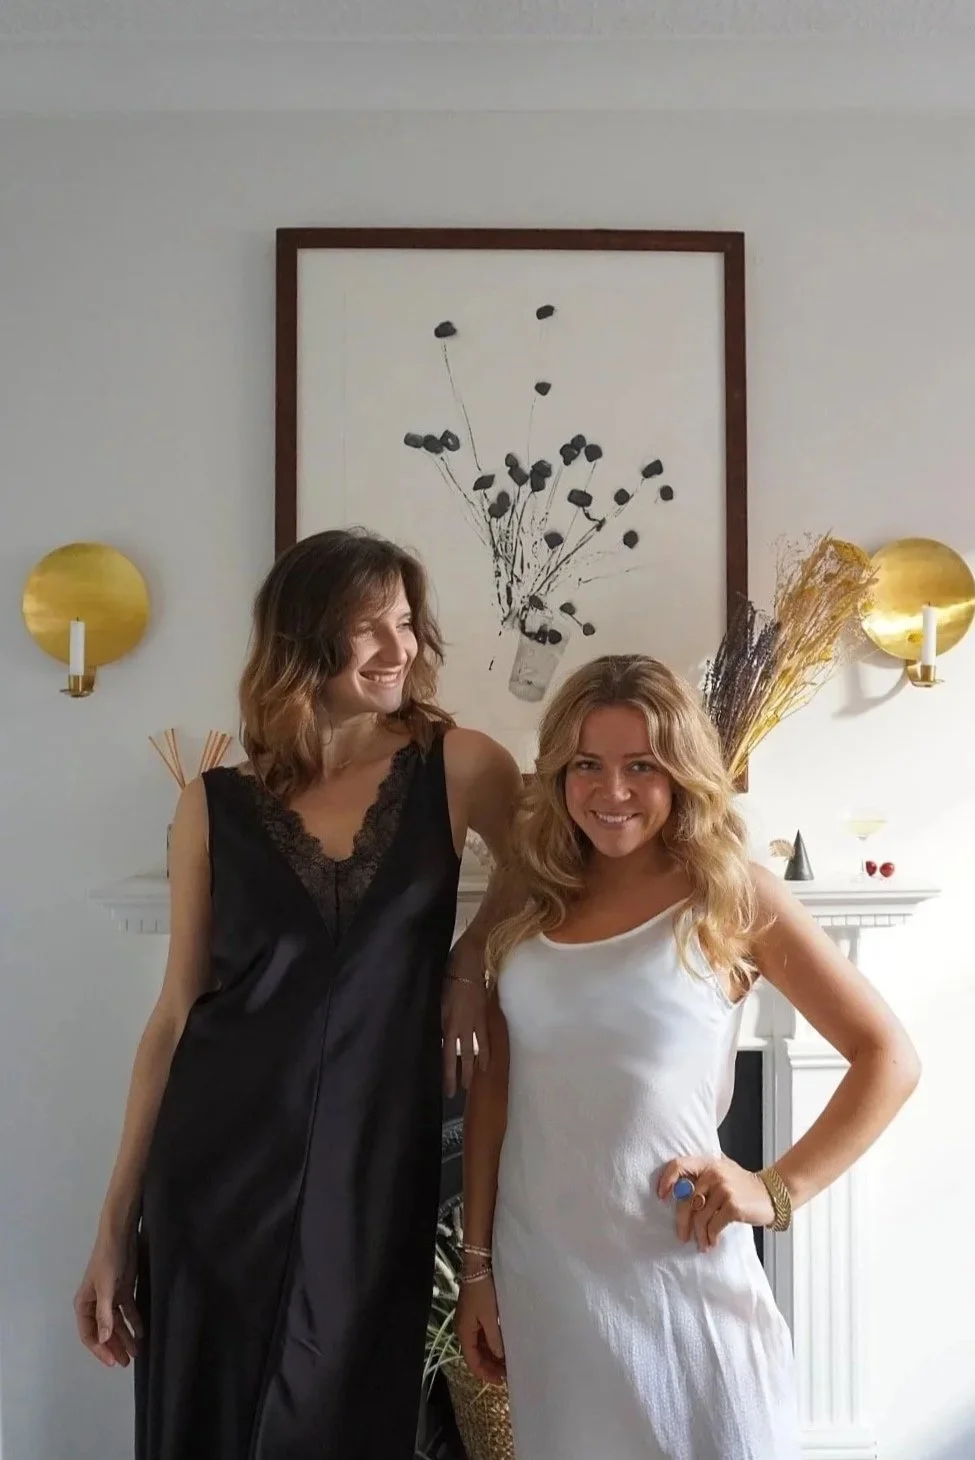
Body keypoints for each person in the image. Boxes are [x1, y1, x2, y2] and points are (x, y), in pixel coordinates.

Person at [73, 528, 520, 1460]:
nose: (400, 648)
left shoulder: (464, 765)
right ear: (302, 641)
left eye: (404, 622)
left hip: (372, 1162)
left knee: (348, 1410)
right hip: (214, 1169)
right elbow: (172, 1017)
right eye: (369, 628)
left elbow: (546, 878)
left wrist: (470, 959)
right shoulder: (211, 805)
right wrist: (115, 1228)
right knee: (211, 1421)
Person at [457, 654, 920, 1460]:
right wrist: (476, 1270)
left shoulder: (730, 894)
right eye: (586, 767)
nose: (613, 792)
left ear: (680, 773)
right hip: (548, 1276)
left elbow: (886, 1056)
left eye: (642, 766)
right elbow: (493, 1092)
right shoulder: (532, 896)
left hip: (680, 1265)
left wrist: (774, 1189)